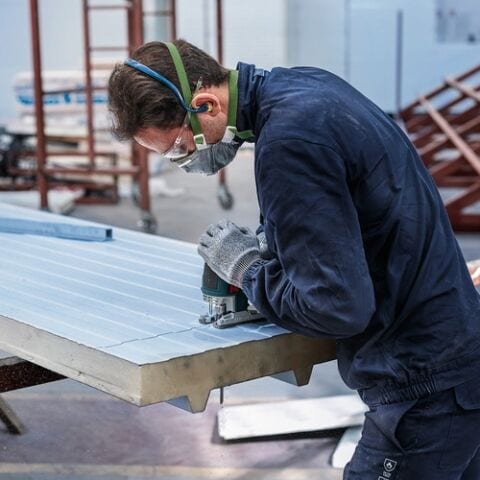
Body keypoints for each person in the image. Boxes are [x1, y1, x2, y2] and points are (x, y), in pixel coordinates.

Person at [108, 39, 480, 479]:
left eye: (177, 149)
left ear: (205, 105)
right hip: (457, 354)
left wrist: (248, 270)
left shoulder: (288, 143)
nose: (187, 161)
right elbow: (354, 211)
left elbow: (336, 307)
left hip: (423, 385)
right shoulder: (304, 88)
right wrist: (282, 242)